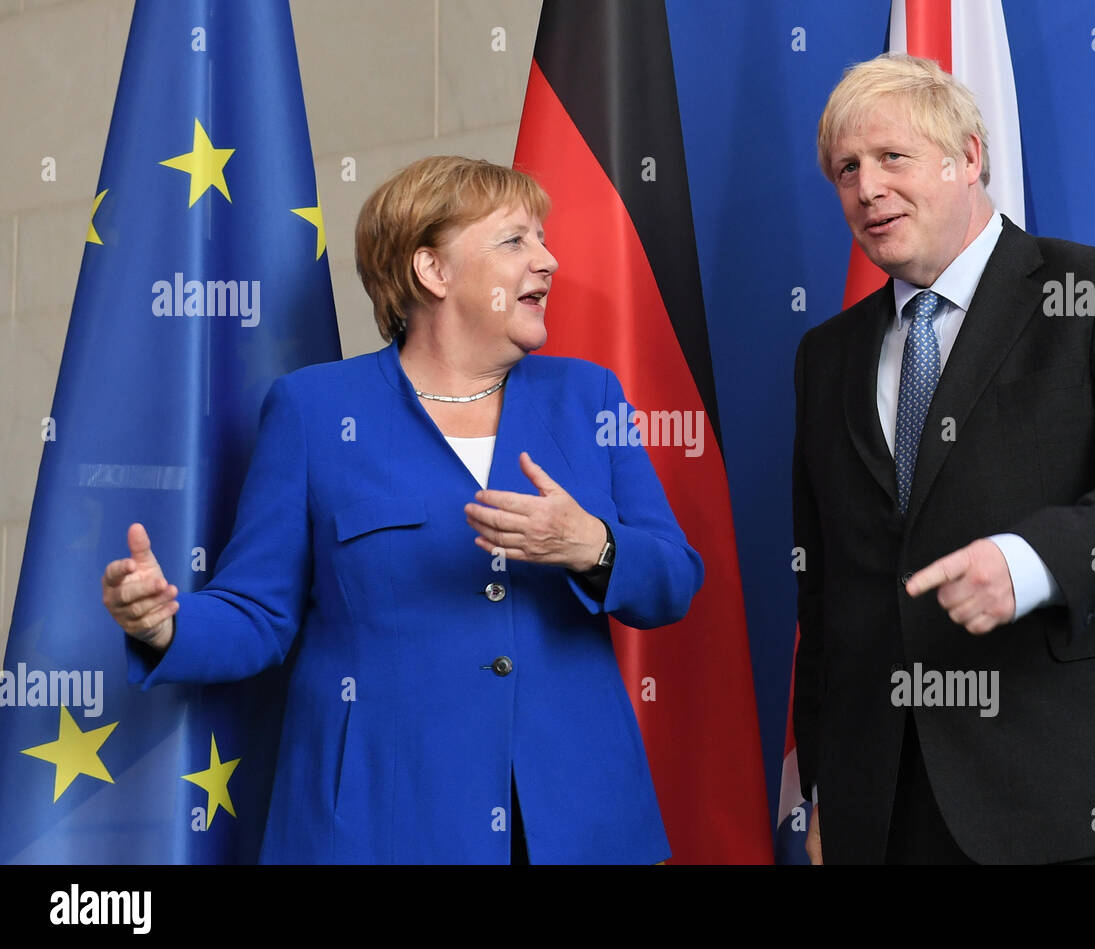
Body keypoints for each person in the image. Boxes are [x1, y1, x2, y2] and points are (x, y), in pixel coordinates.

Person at [101, 155, 704, 864]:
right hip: (379, 819)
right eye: (515, 241)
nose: (548, 260)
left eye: (541, 239)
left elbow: (674, 580)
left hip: (572, 822)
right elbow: (258, 614)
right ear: (433, 272)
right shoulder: (314, 411)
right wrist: (165, 626)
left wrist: (592, 545)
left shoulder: (589, 398)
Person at [792, 54, 1095, 865]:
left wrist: (1029, 564)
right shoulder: (826, 355)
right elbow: (824, 592)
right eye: (847, 169)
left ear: (970, 157)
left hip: (1065, 793)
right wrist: (824, 786)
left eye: (892, 158)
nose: (867, 188)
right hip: (879, 806)